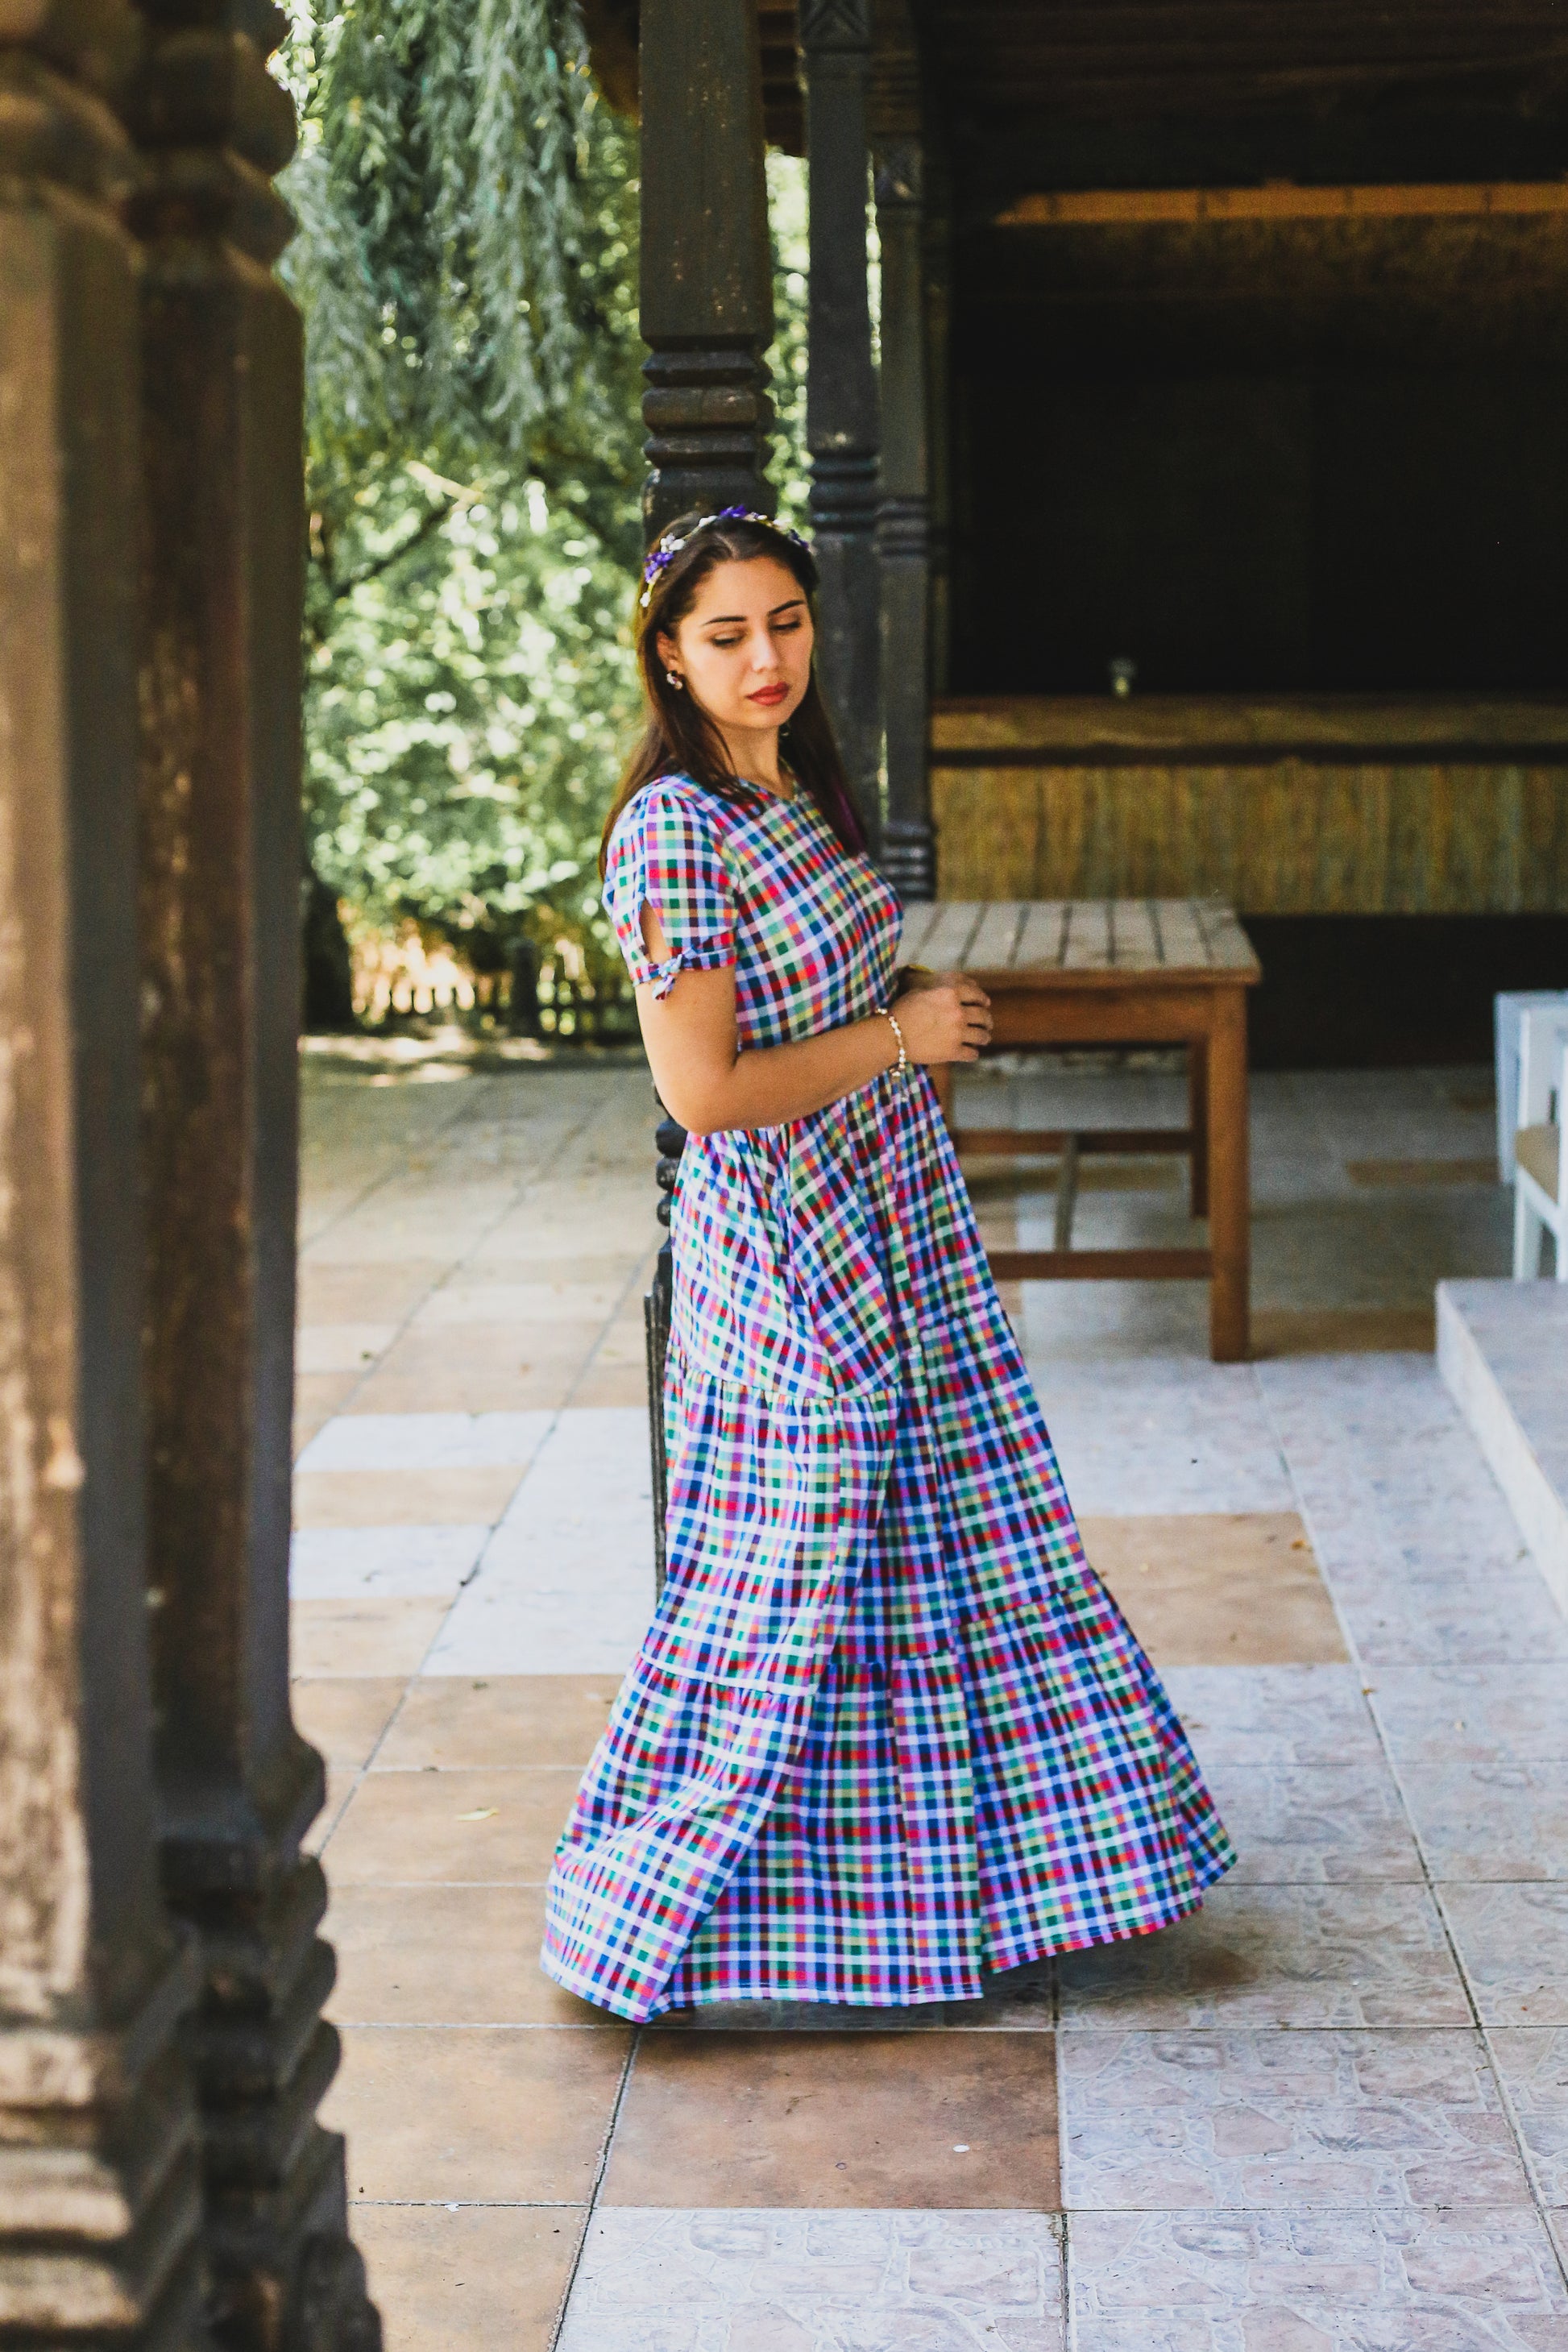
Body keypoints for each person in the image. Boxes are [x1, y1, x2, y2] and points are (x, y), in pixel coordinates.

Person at [541, 506, 1233, 2021]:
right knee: (790, 1565)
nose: (764, 656)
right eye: (724, 634)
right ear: (667, 655)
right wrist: (893, 1037)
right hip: (786, 1246)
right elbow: (704, 1095)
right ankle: (666, 1909)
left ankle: (967, 1892)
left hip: (887, 1217)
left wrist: (894, 989)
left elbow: (808, 999)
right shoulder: (673, 828)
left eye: (784, 622)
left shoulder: (793, 791)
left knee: (947, 1544)